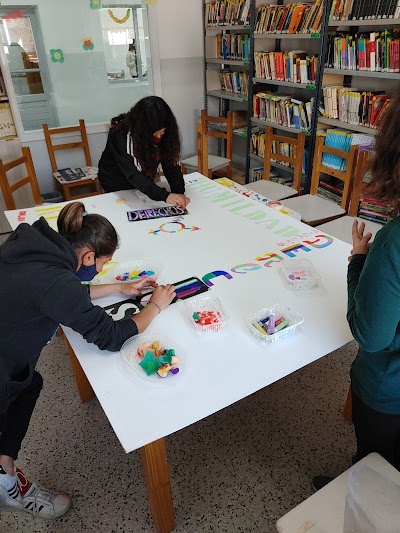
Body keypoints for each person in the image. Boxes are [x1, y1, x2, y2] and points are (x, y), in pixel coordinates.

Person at [0, 202, 175, 518]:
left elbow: (60, 290)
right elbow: (109, 335)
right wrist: (156, 306)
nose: (100, 270)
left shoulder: (36, 246)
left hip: (8, 353)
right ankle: (7, 482)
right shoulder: (55, 282)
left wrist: (120, 287)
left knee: (29, 385)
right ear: (89, 257)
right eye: (103, 264)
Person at [313, 93, 400, 490]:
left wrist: (358, 261)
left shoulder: (393, 243)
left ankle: (358, 493)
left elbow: (370, 334)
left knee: (376, 470)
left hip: (389, 393)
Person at [98, 96, 190, 207]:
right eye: (155, 133)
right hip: (116, 183)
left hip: (142, 183)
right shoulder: (122, 134)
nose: (159, 136)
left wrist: (179, 192)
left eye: (162, 131)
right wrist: (165, 196)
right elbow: (134, 174)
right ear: (143, 129)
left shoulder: (166, 132)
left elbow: (171, 163)